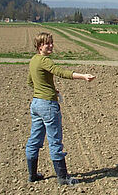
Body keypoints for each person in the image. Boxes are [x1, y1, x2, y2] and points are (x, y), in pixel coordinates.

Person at [25, 32, 95, 185]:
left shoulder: (33, 60)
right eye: (46, 43)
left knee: (34, 140)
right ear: (39, 46)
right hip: (48, 105)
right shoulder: (44, 60)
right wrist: (83, 76)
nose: (50, 45)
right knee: (55, 141)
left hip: (36, 104)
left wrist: (48, 89)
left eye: (51, 42)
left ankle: (32, 175)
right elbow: (60, 72)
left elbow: (30, 82)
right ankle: (62, 177)